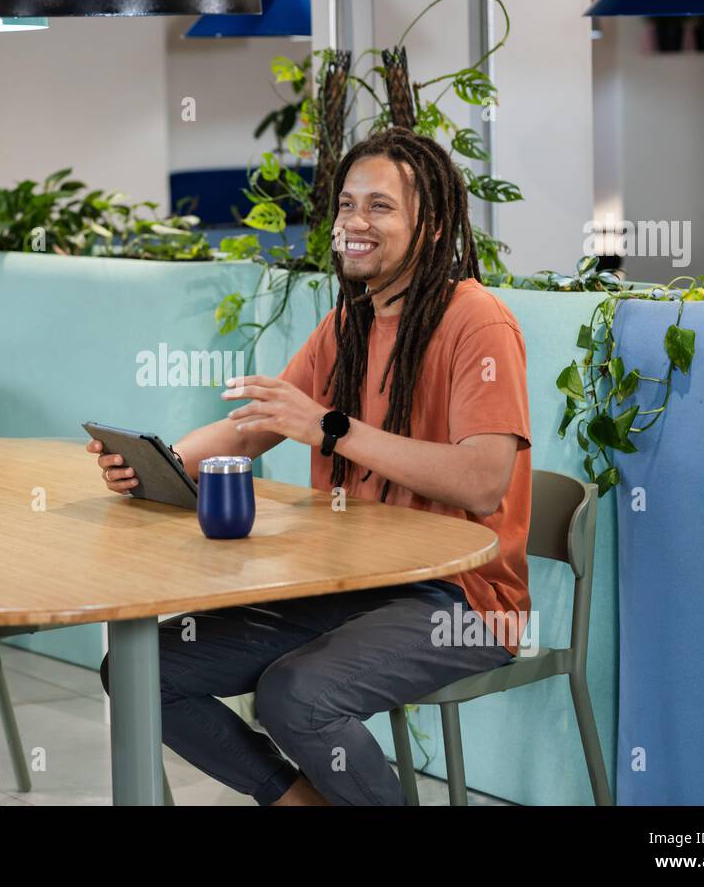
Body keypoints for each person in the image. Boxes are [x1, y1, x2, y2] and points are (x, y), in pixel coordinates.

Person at [89, 127, 532, 805]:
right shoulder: (347, 326)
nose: (355, 222)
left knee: (296, 692)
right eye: (347, 205)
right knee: (141, 666)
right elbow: (251, 431)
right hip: (350, 584)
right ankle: (301, 801)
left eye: (379, 207)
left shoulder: (478, 322)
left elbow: (482, 480)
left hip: (464, 600)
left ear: (432, 222)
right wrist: (160, 462)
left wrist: (332, 429)